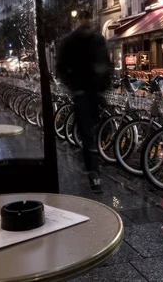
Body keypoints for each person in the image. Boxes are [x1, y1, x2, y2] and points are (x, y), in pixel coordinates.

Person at [56, 10, 111, 193]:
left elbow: (106, 63)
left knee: (99, 131)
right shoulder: (70, 42)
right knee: (88, 135)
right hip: (82, 93)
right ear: (79, 21)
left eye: (89, 20)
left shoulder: (97, 40)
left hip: (97, 93)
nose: (87, 23)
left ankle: (92, 163)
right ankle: (94, 174)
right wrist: (73, 86)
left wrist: (104, 84)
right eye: (84, 20)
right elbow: (61, 67)